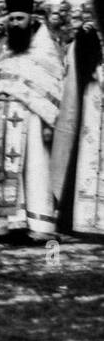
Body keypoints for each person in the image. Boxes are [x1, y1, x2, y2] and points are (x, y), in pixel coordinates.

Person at [0, 0, 64, 241]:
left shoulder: (45, 50)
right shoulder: (8, 50)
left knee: (35, 170)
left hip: (34, 121)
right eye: (11, 19)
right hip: (4, 121)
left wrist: (50, 122)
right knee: (4, 169)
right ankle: (3, 223)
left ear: (32, 19)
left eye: (20, 19)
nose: (15, 24)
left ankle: (39, 225)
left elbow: (54, 88)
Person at [51, 26, 104, 235]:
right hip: (92, 102)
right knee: (87, 157)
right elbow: (85, 68)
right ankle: (82, 220)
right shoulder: (87, 34)